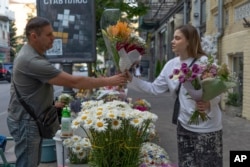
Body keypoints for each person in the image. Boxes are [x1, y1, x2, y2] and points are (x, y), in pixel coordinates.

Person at [7, 16, 127, 167]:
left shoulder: (31, 53)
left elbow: (32, 89)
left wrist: (51, 104)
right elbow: (74, 82)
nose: (54, 37)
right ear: (34, 36)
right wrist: (110, 81)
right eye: (49, 34)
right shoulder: (31, 60)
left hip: (26, 118)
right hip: (25, 121)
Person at [126, 24, 223, 167]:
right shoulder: (170, 65)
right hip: (183, 126)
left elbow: (218, 90)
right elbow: (154, 88)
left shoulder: (205, 63)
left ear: (189, 42)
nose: (172, 41)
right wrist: (131, 79)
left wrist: (209, 103)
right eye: (173, 38)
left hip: (207, 127)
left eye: (177, 38)